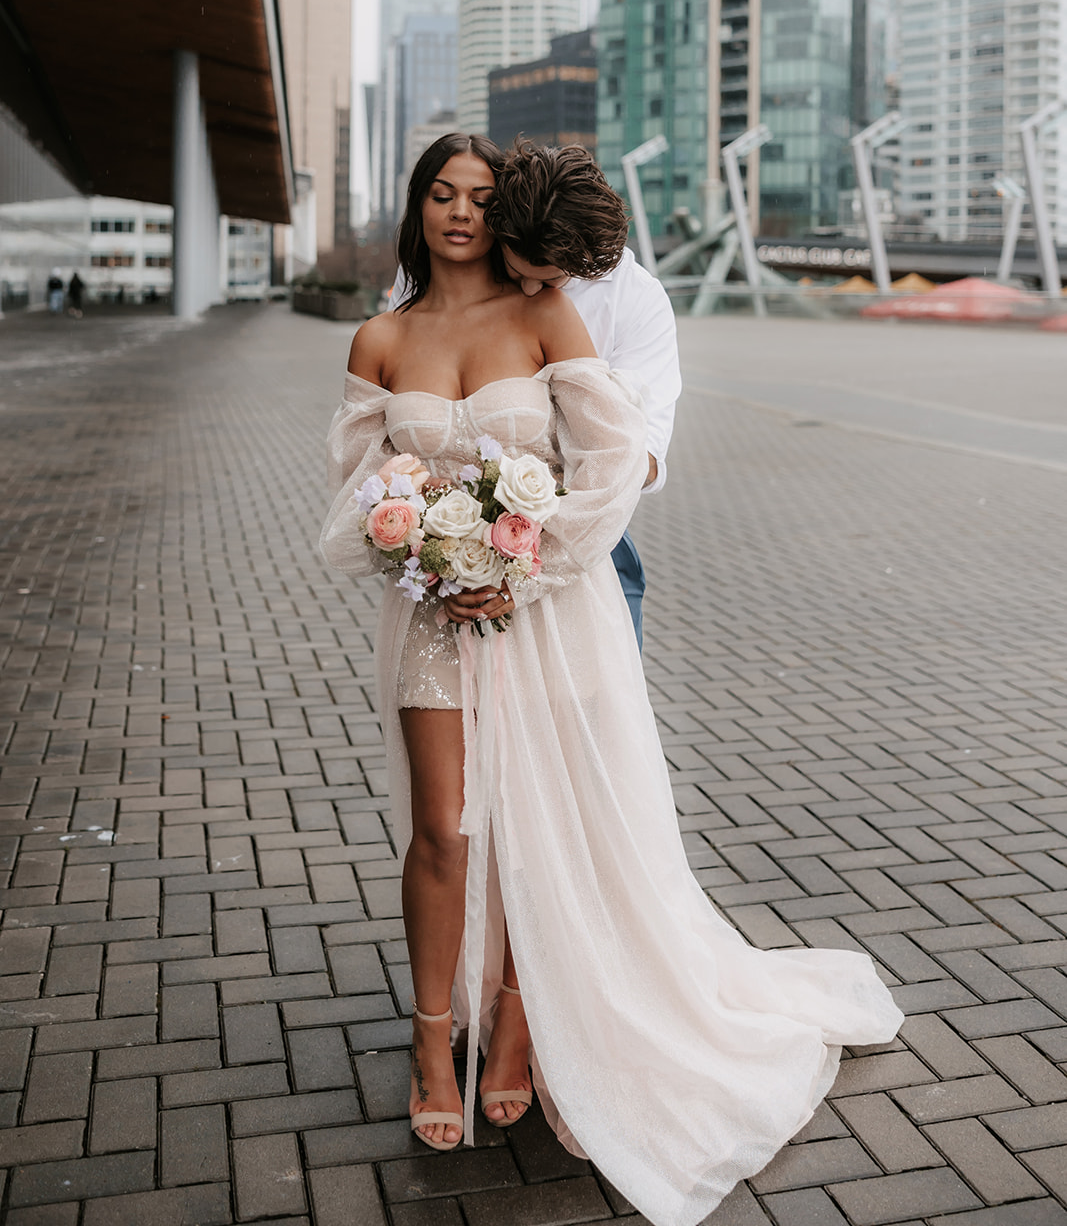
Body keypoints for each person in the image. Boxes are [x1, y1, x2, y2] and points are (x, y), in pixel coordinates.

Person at [320, 134, 902, 1226]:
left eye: (478, 197)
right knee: (442, 826)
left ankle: (521, 1021)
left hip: (546, 603)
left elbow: (613, 456)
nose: (458, 212)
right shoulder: (381, 332)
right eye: (440, 194)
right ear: (417, 207)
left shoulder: (555, 312)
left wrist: (518, 559)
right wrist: (418, 542)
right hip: (431, 617)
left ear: (507, 215)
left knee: (546, 818)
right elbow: (354, 488)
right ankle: (431, 1043)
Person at [390, 137, 681, 647]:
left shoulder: (638, 301)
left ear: (591, 264)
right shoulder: (454, 266)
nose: (527, 293)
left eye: (545, 280)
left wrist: (576, 458)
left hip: (590, 539)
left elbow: (648, 456)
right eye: (514, 272)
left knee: (595, 717)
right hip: (456, 531)